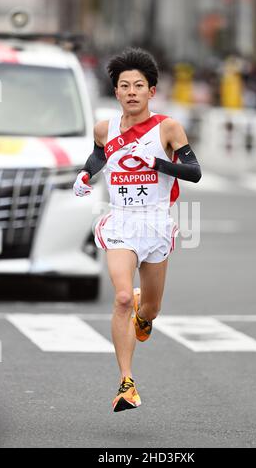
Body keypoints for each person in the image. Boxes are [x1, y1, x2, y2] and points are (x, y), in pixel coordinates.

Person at [73, 48, 201, 413]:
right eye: (124, 86)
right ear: (116, 92)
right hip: (122, 222)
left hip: (157, 223)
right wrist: (85, 175)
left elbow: (194, 172)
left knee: (150, 307)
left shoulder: (168, 127)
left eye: (139, 85)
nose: (131, 92)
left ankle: (145, 317)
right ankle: (126, 384)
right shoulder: (105, 127)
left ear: (151, 91)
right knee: (123, 298)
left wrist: (157, 162)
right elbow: (100, 153)